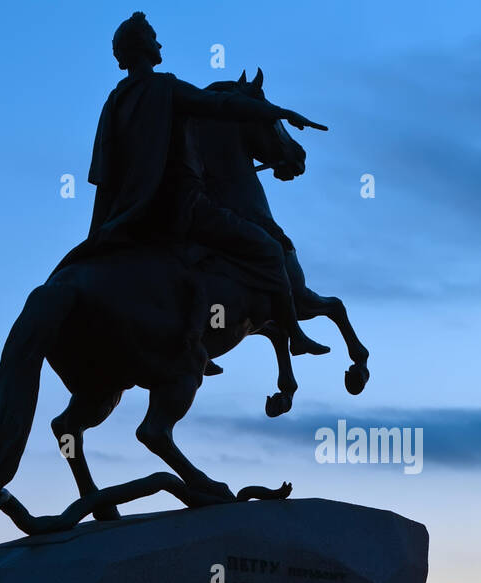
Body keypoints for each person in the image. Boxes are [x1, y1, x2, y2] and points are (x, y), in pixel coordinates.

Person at [57, 12, 329, 367]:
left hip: (132, 215)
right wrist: (274, 112)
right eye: (155, 38)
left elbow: (106, 171)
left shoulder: (114, 103)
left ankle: (198, 330)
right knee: (268, 249)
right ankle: (294, 334)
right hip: (182, 206)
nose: (160, 44)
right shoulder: (164, 88)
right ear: (144, 47)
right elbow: (221, 104)